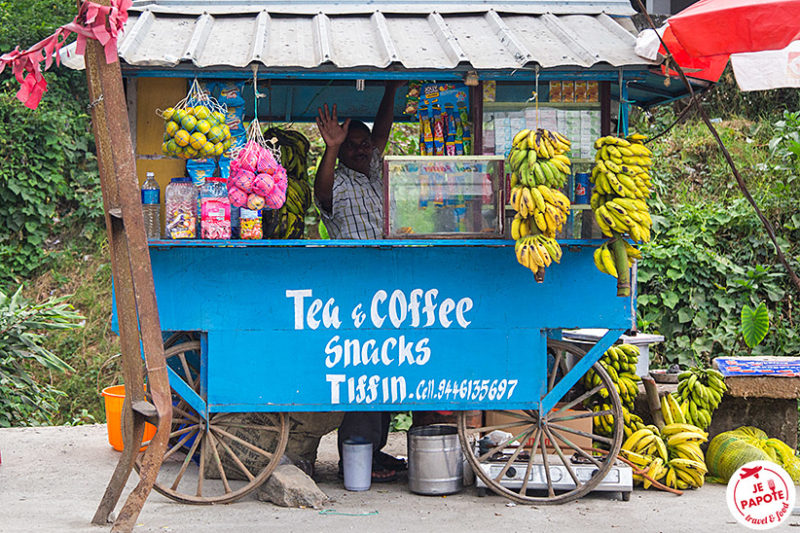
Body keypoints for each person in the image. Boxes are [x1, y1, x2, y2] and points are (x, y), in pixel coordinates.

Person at [315, 81, 407, 481]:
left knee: (384, 372)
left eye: (363, 143)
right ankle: (357, 452)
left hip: (387, 286)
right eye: (352, 145)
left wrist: (393, 87)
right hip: (354, 290)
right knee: (362, 374)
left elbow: (382, 132)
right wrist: (332, 147)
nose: (361, 148)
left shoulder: (372, 174)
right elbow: (320, 192)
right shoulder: (336, 182)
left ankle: (377, 451)